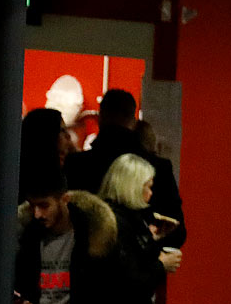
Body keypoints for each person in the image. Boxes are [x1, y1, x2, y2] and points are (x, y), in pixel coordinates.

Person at [13, 165, 120, 304]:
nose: (37, 214)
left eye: (44, 206)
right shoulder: (29, 238)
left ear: (64, 199)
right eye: (32, 206)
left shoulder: (91, 238)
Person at [98, 152, 183, 304]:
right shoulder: (116, 224)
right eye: (147, 187)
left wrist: (155, 238)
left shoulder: (125, 219)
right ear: (132, 187)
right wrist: (161, 264)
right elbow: (127, 279)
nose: (151, 194)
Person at [65, 88, 186, 248]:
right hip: (144, 265)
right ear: (133, 120)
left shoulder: (76, 164)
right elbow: (176, 232)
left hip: (85, 262)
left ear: (101, 117)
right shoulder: (159, 167)